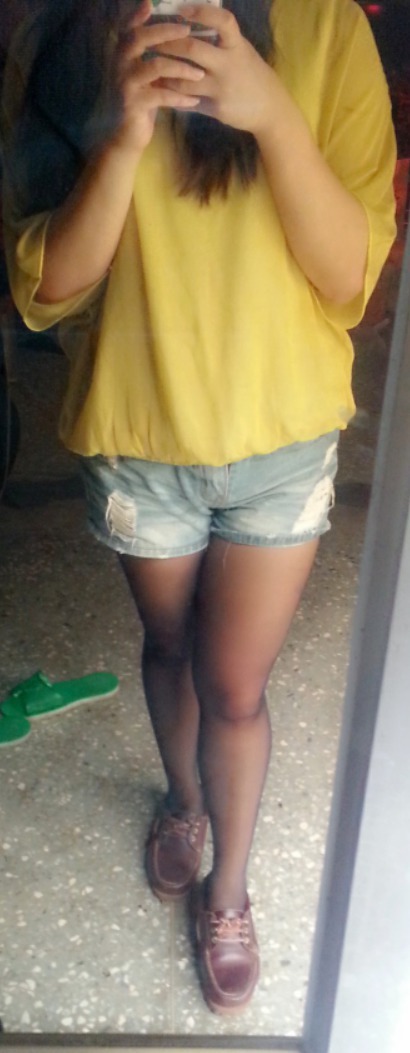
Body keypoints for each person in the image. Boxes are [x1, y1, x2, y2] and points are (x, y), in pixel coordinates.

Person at [1, 0, 396, 1015]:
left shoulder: (324, 29)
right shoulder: (61, 38)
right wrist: (123, 136)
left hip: (281, 441)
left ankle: (228, 891)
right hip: (140, 441)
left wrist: (270, 113)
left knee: (234, 686)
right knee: (169, 646)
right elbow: (45, 288)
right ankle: (184, 801)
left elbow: (351, 279)